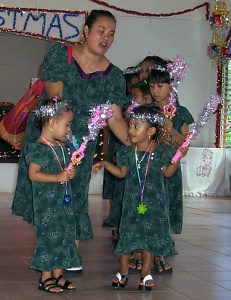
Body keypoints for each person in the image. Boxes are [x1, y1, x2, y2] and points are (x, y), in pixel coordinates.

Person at [11, 10, 129, 272]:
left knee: (75, 192)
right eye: (101, 30)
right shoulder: (60, 55)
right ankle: (50, 251)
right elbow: (56, 100)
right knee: (51, 193)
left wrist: (137, 143)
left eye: (111, 34)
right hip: (52, 138)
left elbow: (115, 118)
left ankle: (69, 253)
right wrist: (66, 134)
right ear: (86, 31)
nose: (106, 38)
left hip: (82, 145)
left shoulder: (114, 75)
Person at [92, 105, 188, 291]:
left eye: (136, 126)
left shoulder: (161, 152)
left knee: (149, 239)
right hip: (131, 203)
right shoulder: (127, 152)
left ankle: (146, 273)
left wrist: (177, 158)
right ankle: (122, 272)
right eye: (131, 125)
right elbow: (121, 173)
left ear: (151, 131)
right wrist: (104, 163)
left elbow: (167, 173)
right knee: (127, 237)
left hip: (154, 205)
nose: (130, 130)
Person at [26, 98, 80, 294]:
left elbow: (68, 166)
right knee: (49, 238)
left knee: (64, 236)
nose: (68, 129)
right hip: (46, 205)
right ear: (51, 123)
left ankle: (59, 274)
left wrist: (69, 171)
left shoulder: (62, 147)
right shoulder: (39, 148)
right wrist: (58, 176)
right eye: (66, 124)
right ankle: (45, 277)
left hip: (63, 202)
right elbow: (33, 174)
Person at [148, 61, 194, 273]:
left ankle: (160, 254)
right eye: (151, 86)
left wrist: (170, 130)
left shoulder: (181, 112)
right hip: (149, 169)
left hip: (171, 169)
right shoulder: (145, 111)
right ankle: (142, 254)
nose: (155, 91)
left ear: (171, 86)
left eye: (160, 86)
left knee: (165, 211)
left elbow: (185, 143)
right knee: (147, 210)